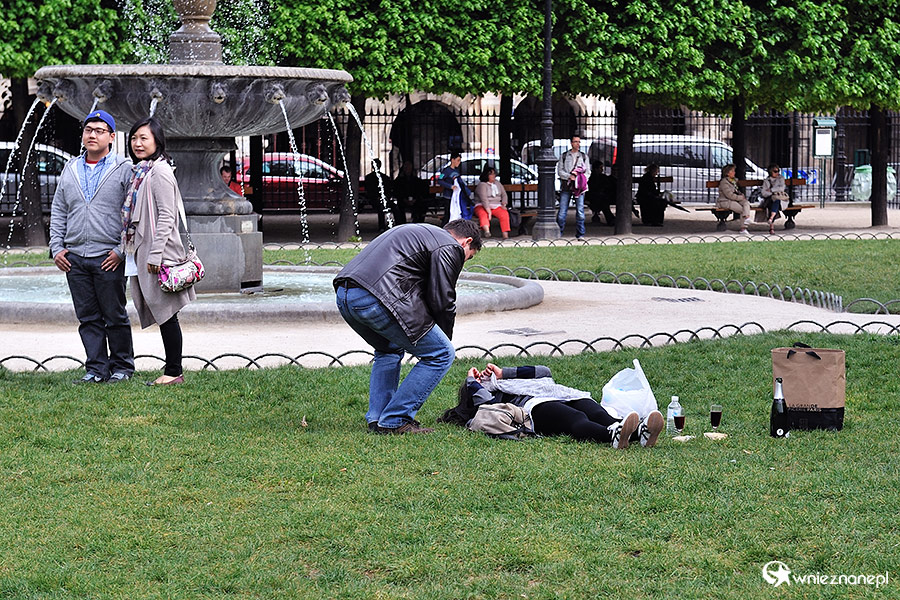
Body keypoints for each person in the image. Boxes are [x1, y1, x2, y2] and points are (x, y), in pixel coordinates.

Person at [333, 220, 482, 435]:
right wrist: (444, 338)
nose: (464, 260)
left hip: (346, 295)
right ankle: (395, 419)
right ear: (467, 242)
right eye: (470, 255)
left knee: (388, 350)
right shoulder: (450, 246)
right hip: (375, 298)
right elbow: (442, 298)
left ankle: (378, 419)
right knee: (441, 354)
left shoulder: (421, 232)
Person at [49, 109, 135, 384]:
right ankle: (96, 369)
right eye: (89, 130)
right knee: (87, 318)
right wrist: (57, 247)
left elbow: (133, 213)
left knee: (115, 315)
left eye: (100, 131)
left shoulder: (124, 169)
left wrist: (122, 250)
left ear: (111, 136)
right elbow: (59, 209)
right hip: (74, 258)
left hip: (108, 256)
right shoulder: (70, 168)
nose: (93, 135)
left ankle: (122, 367)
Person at [124, 117, 196, 386]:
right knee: (165, 313)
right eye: (134, 138)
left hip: (159, 254)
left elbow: (167, 216)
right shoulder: (144, 170)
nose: (138, 143)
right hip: (146, 251)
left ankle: (173, 371)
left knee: (167, 313)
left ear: (157, 140)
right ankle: (172, 369)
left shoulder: (159, 172)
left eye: (144, 138)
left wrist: (155, 254)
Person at [448, 363, 665, 449]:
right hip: (534, 408)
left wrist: (504, 373)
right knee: (575, 419)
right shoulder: (488, 401)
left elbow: (545, 372)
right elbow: (487, 405)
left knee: (597, 413)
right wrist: (472, 382)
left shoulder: (504, 381)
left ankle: (638, 433)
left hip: (562, 394)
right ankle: (612, 437)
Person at [556, 134, 591, 238]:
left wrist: (580, 179)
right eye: (576, 141)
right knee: (562, 212)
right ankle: (559, 233)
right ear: (571, 143)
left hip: (579, 188)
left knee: (580, 211)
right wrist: (569, 177)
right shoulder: (564, 156)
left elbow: (588, 172)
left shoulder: (584, 156)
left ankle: (581, 234)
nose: (578, 144)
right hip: (566, 186)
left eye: (579, 142)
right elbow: (560, 171)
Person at [473, 165, 510, 239]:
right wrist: (489, 211)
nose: (494, 175)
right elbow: (484, 199)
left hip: (496, 205)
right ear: (487, 175)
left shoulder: (497, 183)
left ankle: (505, 235)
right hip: (482, 205)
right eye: (491, 174)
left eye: (494, 174)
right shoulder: (482, 185)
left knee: (504, 214)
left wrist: (504, 203)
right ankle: (487, 231)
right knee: (483, 214)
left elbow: (504, 194)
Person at [364, 158, 399, 231]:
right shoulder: (369, 178)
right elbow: (369, 190)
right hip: (374, 199)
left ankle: (398, 224)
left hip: (384, 198)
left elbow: (388, 189)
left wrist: (386, 197)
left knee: (395, 207)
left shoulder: (384, 177)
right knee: (381, 207)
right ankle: (382, 227)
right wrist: (376, 197)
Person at [716, 163, 752, 233]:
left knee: (746, 203)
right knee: (742, 210)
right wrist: (740, 197)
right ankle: (743, 228)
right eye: (732, 171)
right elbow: (729, 195)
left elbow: (736, 191)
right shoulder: (724, 182)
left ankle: (747, 218)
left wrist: (741, 196)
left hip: (734, 199)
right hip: (725, 201)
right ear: (727, 173)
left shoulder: (734, 181)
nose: (734, 172)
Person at [437, 152, 472, 223]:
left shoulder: (457, 171)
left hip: (456, 196)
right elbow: (440, 180)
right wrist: (450, 186)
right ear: (453, 160)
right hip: (448, 196)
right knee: (448, 213)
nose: (459, 162)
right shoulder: (446, 171)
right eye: (458, 160)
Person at [760, 163, 789, 234]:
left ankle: (771, 223)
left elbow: (782, 188)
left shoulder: (781, 178)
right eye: (775, 171)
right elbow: (763, 193)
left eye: (778, 171)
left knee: (776, 201)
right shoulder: (766, 181)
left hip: (781, 198)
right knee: (773, 203)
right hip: (770, 198)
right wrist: (773, 193)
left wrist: (772, 190)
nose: (777, 173)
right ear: (770, 172)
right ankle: (771, 219)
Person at [586, 160, 616, 225]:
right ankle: (611, 219)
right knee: (603, 202)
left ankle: (611, 219)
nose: (602, 170)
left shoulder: (602, 177)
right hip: (594, 196)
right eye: (600, 168)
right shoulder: (590, 177)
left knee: (603, 201)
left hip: (601, 196)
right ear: (596, 169)